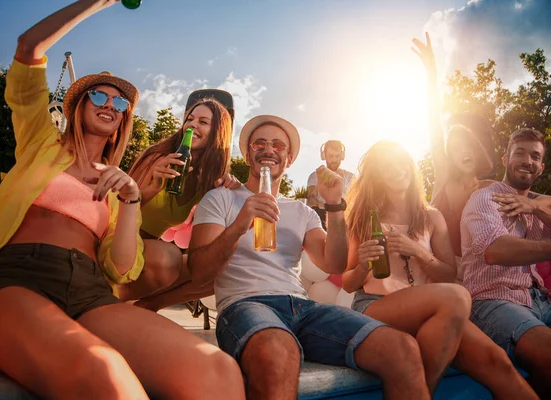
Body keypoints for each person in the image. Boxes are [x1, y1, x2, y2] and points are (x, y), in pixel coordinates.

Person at [0, 1, 245, 399]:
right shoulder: (40, 144)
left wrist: (131, 200)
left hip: (92, 291)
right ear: (79, 106)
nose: (110, 104)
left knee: (218, 369)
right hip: (20, 280)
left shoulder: (117, 186)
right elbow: (28, 49)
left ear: (124, 119)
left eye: (120, 102)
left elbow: (122, 267)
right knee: (105, 373)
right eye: (99, 96)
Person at [187, 114, 433, 400]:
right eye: (260, 144)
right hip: (246, 304)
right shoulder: (220, 199)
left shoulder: (301, 211)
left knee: (401, 348)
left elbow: (335, 263)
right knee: (278, 350)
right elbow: (200, 272)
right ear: (247, 153)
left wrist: (334, 206)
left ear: (289, 158)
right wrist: (240, 224)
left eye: (278, 145)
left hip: (304, 308)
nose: (269, 150)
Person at [343, 140, 536, 398]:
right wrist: (363, 265)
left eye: (401, 161)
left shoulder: (431, 216)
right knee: (456, 297)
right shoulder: (364, 218)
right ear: (376, 173)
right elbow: (347, 283)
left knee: (496, 361)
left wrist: (419, 252)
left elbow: (448, 274)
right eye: (387, 164)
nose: (397, 168)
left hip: (434, 312)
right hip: (377, 305)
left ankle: (419, 391)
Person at [117, 89, 240, 310]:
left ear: (218, 132)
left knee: (221, 271)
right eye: (190, 119)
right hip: (119, 242)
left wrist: (233, 186)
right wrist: (154, 185)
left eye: (203, 122)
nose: (192, 125)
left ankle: (148, 306)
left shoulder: (208, 180)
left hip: (148, 253)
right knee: (168, 257)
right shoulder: (158, 157)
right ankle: (108, 298)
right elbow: (115, 209)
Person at [461, 128, 551, 396]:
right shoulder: (485, 197)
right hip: (493, 301)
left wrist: (535, 206)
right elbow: (495, 251)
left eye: (535, 156)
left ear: (541, 167)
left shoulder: (536, 207)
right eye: (520, 153)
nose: (527, 161)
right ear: (506, 159)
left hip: (539, 300)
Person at [412, 33, 496, 279]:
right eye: (456, 147)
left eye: (468, 146)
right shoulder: (444, 175)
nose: (463, 152)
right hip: (432, 268)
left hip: (476, 273)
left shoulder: (490, 188)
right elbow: (433, 122)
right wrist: (431, 72)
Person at [307, 140, 355, 229]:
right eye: (331, 156)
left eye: (337, 156)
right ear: (324, 156)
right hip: (322, 220)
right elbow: (311, 201)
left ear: (342, 156)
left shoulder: (351, 177)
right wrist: (334, 208)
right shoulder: (314, 177)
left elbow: (355, 202)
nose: (334, 160)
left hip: (346, 220)